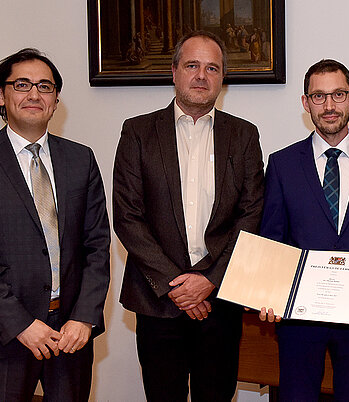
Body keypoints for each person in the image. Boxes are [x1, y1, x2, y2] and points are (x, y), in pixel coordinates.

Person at [0, 48, 110, 401]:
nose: (34, 94)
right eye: (22, 85)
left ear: (56, 100)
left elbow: (97, 246)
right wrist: (21, 324)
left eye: (45, 87)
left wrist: (84, 317)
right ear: (1, 95)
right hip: (2, 334)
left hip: (70, 332)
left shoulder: (80, 159)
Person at [113, 31, 265, 401]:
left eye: (212, 68)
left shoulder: (243, 135)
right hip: (158, 299)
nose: (201, 75)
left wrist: (209, 280)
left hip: (220, 301)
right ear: (174, 71)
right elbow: (127, 216)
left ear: (222, 79)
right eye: (192, 65)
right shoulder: (138, 131)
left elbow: (251, 214)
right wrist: (178, 285)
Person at [259, 59, 349, 401]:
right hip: (299, 322)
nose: (329, 106)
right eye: (318, 96)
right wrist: (268, 292)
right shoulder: (281, 164)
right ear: (305, 103)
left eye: (338, 95)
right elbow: (273, 239)